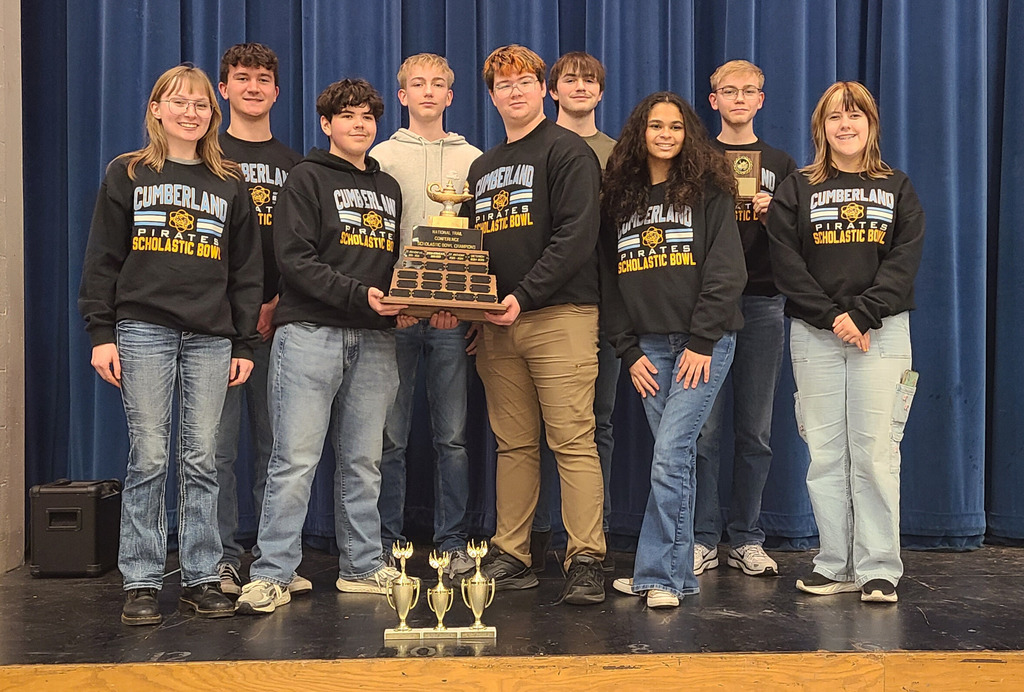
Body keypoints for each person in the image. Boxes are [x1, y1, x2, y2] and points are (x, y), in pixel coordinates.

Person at [78, 64, 263, 625]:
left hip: (212, 336)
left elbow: (246, 271)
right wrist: (101, 333)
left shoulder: (230, 182)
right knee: (151, 457)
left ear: (212, 113)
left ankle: (203, 576)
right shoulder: (128, 173)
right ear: (156, 109)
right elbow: (103, 258)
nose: (190, 112)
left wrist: (244, 342)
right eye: (178, 102)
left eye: (201, 105)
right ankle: (141, 579)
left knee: (202, 458)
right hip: (143, 329)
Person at [235, 79, 405, 615]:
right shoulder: (305, 179)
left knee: (363, 462)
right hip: (310, 333)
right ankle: (272, 573)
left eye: (367, 117)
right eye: (347, 116)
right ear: (327, 124)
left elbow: (392, 264)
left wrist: (410, 296)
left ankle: (361, 565)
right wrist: (361, 296)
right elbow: (295, 261)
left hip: (376, 340)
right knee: (295, 460)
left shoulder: (391, 189)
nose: (359, 125)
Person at [766, 81, 924, 603]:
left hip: (881, 334)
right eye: (835, 117)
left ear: (871, 125)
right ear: (822, 127)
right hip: (816, 334)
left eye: (855, 116)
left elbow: (903, 262)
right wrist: (834, 316)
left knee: (877, 452)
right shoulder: (796, 188)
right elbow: (786, 264)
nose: (845, 125)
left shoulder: (897, 186)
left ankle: (879, 566)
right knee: (826, 454)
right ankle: (834, 563)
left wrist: (863, 315)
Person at [464, 44, 606, 605]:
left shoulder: (568, 152)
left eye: (525, 81)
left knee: (573, 440)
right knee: (513, 444)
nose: (515, 91)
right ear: (492, 95)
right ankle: (512, 553)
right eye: (504, 84)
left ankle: (586, 557)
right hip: (498, 324)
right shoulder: (483, 167)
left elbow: (576, 237)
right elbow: (471, 249)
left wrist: (523, 296)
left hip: (560, 316)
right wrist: (474, 306)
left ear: (543, 89)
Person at [604, 92, 746, 608]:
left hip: (701, 346)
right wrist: (627, 351)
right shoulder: (620, 197)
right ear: (640, 132)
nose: (666, 134)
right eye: (656, 126)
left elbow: (727, 270)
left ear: (689, 135)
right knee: (675, 459)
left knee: (669, 456)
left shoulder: (708, 191)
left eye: (677, 127)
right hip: (648, 350)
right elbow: (609, 280)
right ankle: (671, 574)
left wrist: (703, 340)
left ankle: (661, 577)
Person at [369, 54, 481, 580]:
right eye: (419, 84)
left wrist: (458, 307)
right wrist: (394, 302)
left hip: (450, 320)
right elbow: (370, 238)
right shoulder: (380, 156)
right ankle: (387, 544)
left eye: (439, 83)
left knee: (452, 437)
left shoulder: (475, 160)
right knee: (388, 437)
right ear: (404, 95)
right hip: (395, 315)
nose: (429, 92)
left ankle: (454, 541)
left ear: (451, 96)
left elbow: (484, 245)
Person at [692, 59, 797, 578]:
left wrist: (773, 212)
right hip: (707, 305)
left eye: (748, 91)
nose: (738, 99)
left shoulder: (780, 161)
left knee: (755, 431)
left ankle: (748, 537)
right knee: (704, 433)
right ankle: (702, 537)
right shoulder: (695, 157)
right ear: (713, 100)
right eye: (727, 91)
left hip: (762, 301)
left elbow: (801, 240)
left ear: (761, 99)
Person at [213, 42, 306, 598]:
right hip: (217, 328)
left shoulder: (295, 165)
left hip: (279, 322)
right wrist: (234, 313)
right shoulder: (206, 157)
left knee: (277, 448)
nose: (252, 87)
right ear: (223, 89)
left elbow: (304, 249)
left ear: (276, 90)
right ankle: (223, 558)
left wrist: (275, 303)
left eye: (262, 78)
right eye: (241, 78)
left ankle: (276, 560)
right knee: (216, 450)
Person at [530, 51, 620, 574]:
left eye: (590, 81)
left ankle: (587, 536)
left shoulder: (618, 154)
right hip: (536, 309)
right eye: (570, 80)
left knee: (593, 426)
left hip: (599, 305)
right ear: (553, 90)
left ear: (601, 93)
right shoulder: (533, 148)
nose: (581, 87)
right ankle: (542, 530)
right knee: (531, 432)